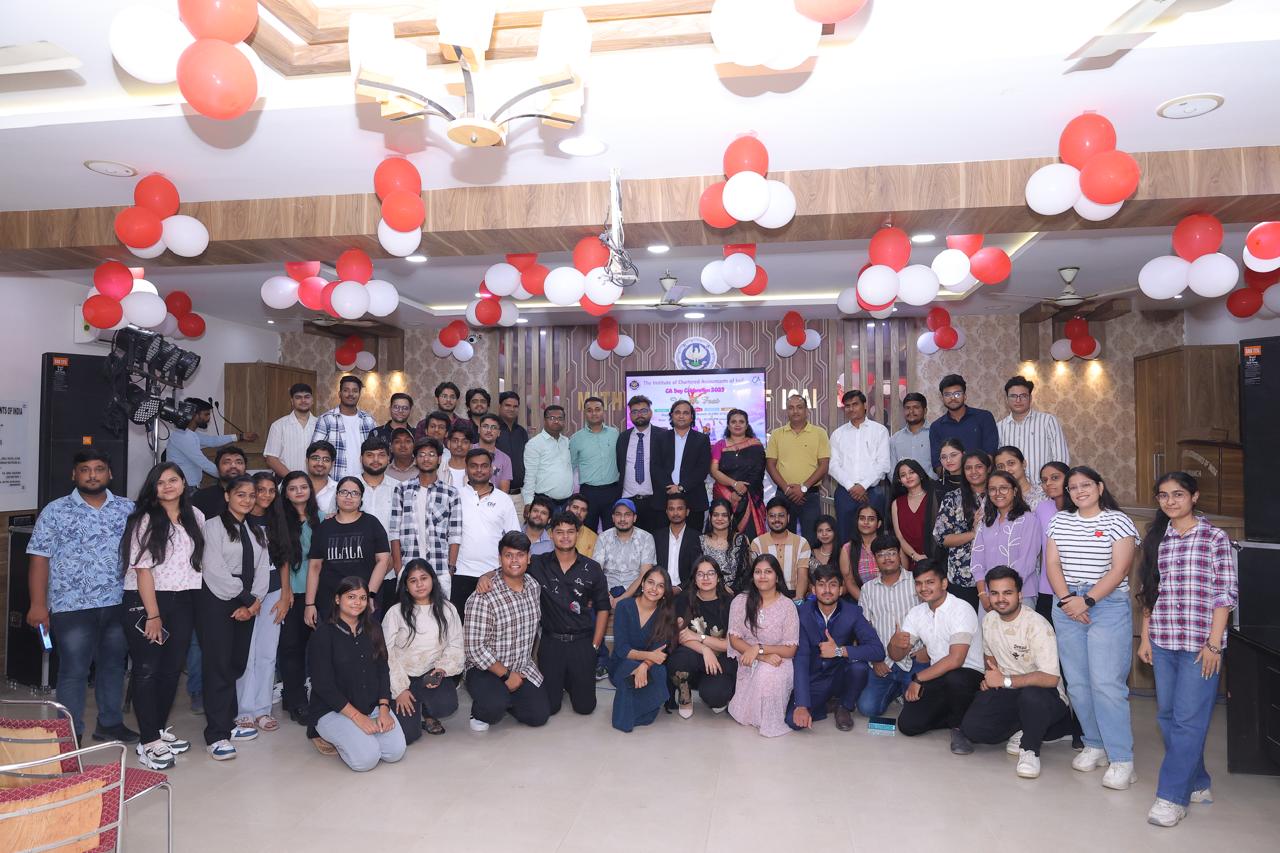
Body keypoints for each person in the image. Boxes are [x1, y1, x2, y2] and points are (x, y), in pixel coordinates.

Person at [1136, 472, 1238, 827]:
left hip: (1200, 646)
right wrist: (1145, 637)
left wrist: (1214, 643)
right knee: (1167, 717)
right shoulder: (1157, 539)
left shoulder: (1214, 538)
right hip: (1163, 639)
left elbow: (1225, 595)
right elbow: (1150, 592)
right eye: (1163, 495)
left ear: (1194, 496)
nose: (1170, 501)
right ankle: (1197, 781)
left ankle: (1171, 797)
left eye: (1178, 494)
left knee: (1188, 721)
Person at [26, 449, 137, 745]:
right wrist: (38, 605)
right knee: (73, 671)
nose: (92, 475)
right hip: (71, 606)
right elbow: (39, 558)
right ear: (74, 474)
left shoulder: (128, 509)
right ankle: (69, 734)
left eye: (99, 469)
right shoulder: (55, 510)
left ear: (109, 473)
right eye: (85, 469)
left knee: (113, 667)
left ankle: (110, 724)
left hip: (117, 603)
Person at [1045, 466, 1139, 790]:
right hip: (1067, 603)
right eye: (1073, 487)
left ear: (1100, 487)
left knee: (1106, 684)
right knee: (1078, 684)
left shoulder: (1118, 520)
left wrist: (1088, 600)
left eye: (1086, 485)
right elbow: (1052, 564)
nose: (1079, 491)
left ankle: (1122, 759)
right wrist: (1068, 600)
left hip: (1107, 604)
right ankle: (1095, 744)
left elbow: (1121, 568)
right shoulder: (1059, 521)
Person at [483, 512, 611, 716]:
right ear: (551, 535)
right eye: (559, 532)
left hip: (582, 642)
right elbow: (511, 567)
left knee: (585, 708)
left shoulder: (593, 568)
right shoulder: (537, 564)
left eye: (570, 532)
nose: (565, 536)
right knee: (551, 707)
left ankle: (572, 681)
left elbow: (603, 607)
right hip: (552, 643)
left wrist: (595, 646)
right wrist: (486, 576)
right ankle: (562, 681)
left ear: (577, 534)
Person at [119, 462, 201, 769]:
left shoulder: (195, 517)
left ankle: (156, 732)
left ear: (183, 483)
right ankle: (149, 742)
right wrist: (153, 615)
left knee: (170, 670)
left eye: (173, 480)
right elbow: (143, 570)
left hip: (184, 599)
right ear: (153, 488)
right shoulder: (145, 519)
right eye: (160, 482)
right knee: (147, 670)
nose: (167, 486)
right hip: (147, 601)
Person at [960, 566, 1072, 779]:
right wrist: (990, 677)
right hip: (1009, 689)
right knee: (973, 729)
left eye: (1008, 593)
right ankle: (1025, 726)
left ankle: (1030, 749)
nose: (1001, 599)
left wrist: (1005, 680)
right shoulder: (989, 620)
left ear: (1020, 595)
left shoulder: (1037, 625)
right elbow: (990, 657)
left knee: (1031, 696)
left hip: (1044, 693)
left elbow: (1050, 678)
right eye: (994, 593)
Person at [197, 475, 270, 760]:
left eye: (252, 495)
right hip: (218, 600)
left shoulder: (256, 530)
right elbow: (213, 568)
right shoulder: (212, 527)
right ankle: (216, 734)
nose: (247, 500)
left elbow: (263, 568)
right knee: (218, 665)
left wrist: (254, 602)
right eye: (241, 494)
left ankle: (228, 723)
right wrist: (246, 599)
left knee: (235, 664)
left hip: (248, 600)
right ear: (227, 496)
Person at [308, 576, 406, 770]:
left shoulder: (374, 628)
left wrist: (384, 709)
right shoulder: (323, 634)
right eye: (351, 597)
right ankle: (325, 735)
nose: (357, 603)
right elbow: (323, 685)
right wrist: (357, 718)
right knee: (366, 760)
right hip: (333, 710)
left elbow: (383, 671)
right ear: (338, 599)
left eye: (362, 598)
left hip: (371, 706)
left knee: (395, 752)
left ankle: (360, 737)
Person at [888, 559, 985, 754]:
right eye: (918, 583)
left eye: (930, 582)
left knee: (955, 678)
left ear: (944, 583)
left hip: (969, 675)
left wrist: (918, 679)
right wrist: (895, 643)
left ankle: (960, 729)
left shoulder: (961, 609)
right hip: (939, 675)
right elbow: (897, 656)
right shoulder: (916, 613)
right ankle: (958, 716)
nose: (923, 588)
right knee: (908, 725)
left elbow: (956, 660)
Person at [463, 532, 549, 730]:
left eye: (520, 555)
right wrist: (506, 675)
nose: (514, 561)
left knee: (539, 716)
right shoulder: (482, 597)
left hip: (521, 666)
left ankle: (505, 698)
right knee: (494, 706)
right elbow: (475, 649)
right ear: (500, 558)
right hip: (485, 669)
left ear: (529, 558)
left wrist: (515, 675)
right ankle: (481, 709)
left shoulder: (533, 586)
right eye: (508, 555)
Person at [787, 564, 885, 732]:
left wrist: (839, 651)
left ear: (841, 590)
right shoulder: (802, 613)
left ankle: (844, 706)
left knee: (859, 668)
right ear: (813, 589)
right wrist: (802, 705)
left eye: (832, 585)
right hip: (814, 677)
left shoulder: (852, 612)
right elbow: (801, 659)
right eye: (821, 585)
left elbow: (877, 650)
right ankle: (827, 705)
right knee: (793, 721)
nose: (827, 590)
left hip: (840, 675)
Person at [383, 560, 464, 742]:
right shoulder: (395, 613)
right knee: (408, 736)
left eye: (424, 578)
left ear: (433, 580)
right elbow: (385, 653)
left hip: (431, 675)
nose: (419, 584)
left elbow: (456, 645)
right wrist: (400, 689)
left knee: (446, 705)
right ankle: (401, 706)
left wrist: (441, 669)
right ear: (405, 586)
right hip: (402, 676)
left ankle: (428, 713)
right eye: (413, 581)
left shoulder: (448, 609)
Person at [235, 472, 289, 734]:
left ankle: (262, 710)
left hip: (274, 593)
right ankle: (244, 711)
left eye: (271, 490)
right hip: (247, 595)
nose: (266, 495)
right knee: (246, 653)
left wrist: (286, 594)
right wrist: (245, 598)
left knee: (267, 653)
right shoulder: (239, 520)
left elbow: (284, 560)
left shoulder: (277, 520)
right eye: (260, 490)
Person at [727, 554, 800, 737]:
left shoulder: (787, 606)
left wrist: (760, 648)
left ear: (777, 577)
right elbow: (734, 639)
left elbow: (791, 649)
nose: (762, 576)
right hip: (748, 658)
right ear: (752, 576)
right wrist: (761, 656)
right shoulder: (740, 602)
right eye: (758, 572)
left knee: (766, 675)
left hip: (780, 659)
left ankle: (771, 718)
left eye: (768, 572)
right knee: (759, 673)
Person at [855, 535, 927, 717]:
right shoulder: (867, 589)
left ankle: (902, 688)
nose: (887, 558)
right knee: (867, 708)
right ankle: (896, 689)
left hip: (914, 657)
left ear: (899, 554)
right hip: (883, 661)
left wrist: (927, 650)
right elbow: (864, 629)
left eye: (891, 553)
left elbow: (932, 617)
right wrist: (875, 660)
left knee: (917, 710)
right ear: (875, 559)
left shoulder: (916, 582)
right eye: (881, 554)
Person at [306, 477, 391, 627]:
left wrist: (369, 595)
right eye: (343, 492)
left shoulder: (372, 523)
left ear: (361, 498)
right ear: (337, 495)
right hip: (330, 603)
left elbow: (383, 561)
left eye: (354, 493)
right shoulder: (324, 527)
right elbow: (314, 567)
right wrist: (309, 604)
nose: (348, 496)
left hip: (364, 603)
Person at [272, 471, 319, 725]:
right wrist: (285, 591)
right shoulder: (280, 520)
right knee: (291, 648)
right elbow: (282, 559)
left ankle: (307, 697)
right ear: (286, 493)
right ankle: (295, 700)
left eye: (303, 487)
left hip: (317, 595)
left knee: (316, 650)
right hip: (291, 594)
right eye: (292, 488)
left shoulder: (322, 518)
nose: (299, 492)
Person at [388, 437, 461, 600]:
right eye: (421, 454)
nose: (426, 459)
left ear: (439, 459)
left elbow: (455, 534)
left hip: (440, 570)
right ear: (415, 459)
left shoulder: (450, 493)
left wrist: (450, 569)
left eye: (431, 454)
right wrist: (399, 569)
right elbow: (394, 532)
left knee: (440, 615)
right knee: (408, 614)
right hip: (408, 569)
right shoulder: (402, 489)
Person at [452, 448, 521, 612]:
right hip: (460, 573)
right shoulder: (455, 496)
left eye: (484, 466)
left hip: (493, 574)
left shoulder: (504, 500)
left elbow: (514, 539)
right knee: (460, 623)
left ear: (491, 469)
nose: (479, 470)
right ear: (466, 469)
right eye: (474, 466)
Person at [609, 567, 677, 732]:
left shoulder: (665, 613)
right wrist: (648, 657)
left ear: (665, 591)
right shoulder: (624, 606)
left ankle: (632, 706)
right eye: (650, 583)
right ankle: (628, 712)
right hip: (622, 663)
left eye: (660, 586)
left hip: (649, 665)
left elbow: (659, 652)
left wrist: (645, 665)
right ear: (642, 584)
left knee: (659, 671)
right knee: (630, 668)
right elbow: (622, 649)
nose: (654, 589)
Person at [670, 557, 738, 717]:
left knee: (715, 697)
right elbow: (682, 637)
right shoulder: (684, 600)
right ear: (694, 578)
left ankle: (710, 688)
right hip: (693, 657)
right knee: (678, 659)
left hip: (720, 661)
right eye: (700, 574)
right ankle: (684, 692)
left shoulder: (731, 603)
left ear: (718, 577)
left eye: (710, 573)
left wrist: (699, 637)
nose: (705, 578)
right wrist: (705, 650)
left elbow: (730, 644)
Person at [971, 470, 1043, 612]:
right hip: (988, 595)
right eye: (992, 489)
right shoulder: (986, 522)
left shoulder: (1028, 520)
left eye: (1004, 488)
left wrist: (1002, 594)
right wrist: (983, 594)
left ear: (1015, 491)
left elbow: (1027, 562)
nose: (998, 493)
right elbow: (977, 561)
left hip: (1020, 594)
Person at [765, 394, 830, 545]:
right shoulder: (777, 434)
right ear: (786, 411)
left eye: (799, 407)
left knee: (812, 540)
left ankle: (810, 562)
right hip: (784, 494)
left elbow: (824, 465)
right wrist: (787, 489)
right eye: (791, 408)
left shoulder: (819, 433)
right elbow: (770, 465)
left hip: (810, 495)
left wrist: (803, 488)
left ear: (807, 410)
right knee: (783, 540)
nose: (795, 411)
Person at [829, 389, 891, 545]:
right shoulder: (838, 434)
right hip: (845, 492)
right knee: (845, 537)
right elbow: (833, 466)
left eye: (855, 404)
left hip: (872, 492)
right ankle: (847, 562)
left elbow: (883, 464)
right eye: (847, 406)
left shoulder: (880, 431)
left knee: (875, 539)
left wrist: (863, 486)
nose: (851, 408)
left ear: (865, 405)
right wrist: (852, 487)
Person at [932, 450, 991, 612]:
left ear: (988, 469)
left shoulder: (997, 495)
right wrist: (973, 534)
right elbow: (941, 538)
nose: (973, 472)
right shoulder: (952, 498)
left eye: (979, 467)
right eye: (968, 468)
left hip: (994, 575)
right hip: (962, 575)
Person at [165, 399, 255, 489]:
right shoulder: (183, 436)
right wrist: (230, 476)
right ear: (195, 415)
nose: (208, 418)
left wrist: (239, 437)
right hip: (184, 487)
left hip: (188, 485)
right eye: (206, 414)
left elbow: (212, 441)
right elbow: (204, 463)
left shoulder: (189, 434)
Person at [996, 376, 1070, 485]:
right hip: (1013, 490)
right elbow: (1000, 464)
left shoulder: (1047, 421)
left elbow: (1061, 459)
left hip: (1045, 489)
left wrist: (1054, 485)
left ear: (1030, 398)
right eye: (1013, 396)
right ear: (1006, 399)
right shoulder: (1000, 427)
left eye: (1023, 396)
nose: (1018, 400)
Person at [654, 399, 712, 533]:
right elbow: (655, 466)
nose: (681, 416)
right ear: (671, 416)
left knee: (693, 539)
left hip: (693, 497)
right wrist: (669, 487)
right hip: (664, 497)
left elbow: (702, 468)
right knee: (663, 539)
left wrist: (681, 487)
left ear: (692, 417)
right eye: (677, 412)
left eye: (685, 413)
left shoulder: (702, 439)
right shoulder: (660, 438)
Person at [616, 395, 671, 534]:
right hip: (628, 502)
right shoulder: (623, 437)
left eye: (643, 411)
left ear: (650, 413)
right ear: (630, 415)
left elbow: (668, 466)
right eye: (635, 411)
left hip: (656, 502)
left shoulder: (664, 436)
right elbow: (620, 466)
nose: (639, 415)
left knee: (657, 542)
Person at [709, 408, 767, 539]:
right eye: (733, 421)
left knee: (750, 536)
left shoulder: (756, 445)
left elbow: (758, 471)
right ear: (728, 425)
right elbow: (714, 470)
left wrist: (741, 492)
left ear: (746, 425)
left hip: (749, 497)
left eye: (741, 421)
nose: (737, 424)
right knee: (724, 537)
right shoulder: (720, 445)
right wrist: (734, 484)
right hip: (724, 496)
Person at [357, 436, 398, 606]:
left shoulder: (399, 489)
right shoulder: (348, 486)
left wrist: (391, 562)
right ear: (361, 458)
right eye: (370, 455)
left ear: (389, 458)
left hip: (391, 572)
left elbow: (405, 532)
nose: (375, 460)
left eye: (381, 455)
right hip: (354, 572)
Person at [312, 375, 379, 480]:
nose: (350, 394)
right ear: (339, 394)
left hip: (364, 481)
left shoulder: (369, 421)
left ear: (359, 394)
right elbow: (314, 452)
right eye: (346, 390)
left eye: (355, 391)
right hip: (335, 481)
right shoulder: (326, 419)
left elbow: (376, 451)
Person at [570, 396, 622, 531]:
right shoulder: (576, 438)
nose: (594, 413)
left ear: (603, 411)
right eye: (589, 410)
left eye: (597, 409)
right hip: (588, 493)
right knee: (587, 531)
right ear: (585, 413)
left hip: (612, 491)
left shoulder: (615, 434)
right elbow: (571, 466)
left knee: (612, 531)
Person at [929, 374, 997, 474]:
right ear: (942, 398)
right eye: (947, 395)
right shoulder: (936, 427)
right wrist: (952, 478)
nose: (952, 398)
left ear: (965, 396)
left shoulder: (984, 417)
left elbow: (990, 452)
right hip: (952, 480)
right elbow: (937, 463)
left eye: (957, 394)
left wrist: (977, 476)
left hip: (981, 478)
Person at [593, 498, 657, 602]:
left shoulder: (646, 538)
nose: (622, 519)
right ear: (613, 518)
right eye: (618, 514)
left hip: (635, 594)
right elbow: (597, 571)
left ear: (634, 518)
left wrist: (622, 599)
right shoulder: (603, 537)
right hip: (606, 592)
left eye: (627, 515)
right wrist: (608, 597)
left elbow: (645, 574)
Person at [750, 498, 812, 598]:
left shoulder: (801, 543)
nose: (776, 520)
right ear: (766, 518)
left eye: (781, 516)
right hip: (765, 595)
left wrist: (798, 599)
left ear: (788, 517)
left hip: (793, 595)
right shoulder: (757, 543)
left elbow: (803, 576)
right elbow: (756, 576)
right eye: (772, 516)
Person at [1034, 461, 1069, 619]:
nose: (1048, 483)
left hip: (1077, 587)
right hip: (1047, 586)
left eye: (1055, 478)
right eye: (1044, 480)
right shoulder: (1042, 508)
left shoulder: (1081, 508)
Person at [522, 405, 573, 510]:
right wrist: (528, 502)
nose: (556, 421)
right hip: (544, 503)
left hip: (567, 503)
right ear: (545, 420)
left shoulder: (567, 442)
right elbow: (530, 476)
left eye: (560, 418)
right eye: (552, 418)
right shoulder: (534, 444)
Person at [889, 459, 937, 570]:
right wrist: (916, 557)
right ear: (900, 481)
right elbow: (899, 537)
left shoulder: (933, 497)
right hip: (909, 560)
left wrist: (928, 557)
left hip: (935, 558)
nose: (908, 477)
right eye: (903, 475)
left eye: (912, 472)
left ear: (920, 474)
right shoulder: (896, 503)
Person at [263, 383, 317, 477]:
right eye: (298, 397)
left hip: (315, 482)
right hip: (285, 481)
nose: (303, 400)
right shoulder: (278, 425)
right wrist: (292, 479)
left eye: (307, 397)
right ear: (292, 401)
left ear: (312, 400)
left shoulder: (321, 424)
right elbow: (271, 459)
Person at [698, 498, 751, 593]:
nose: (719, 519)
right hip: (708, 593)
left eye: (724, 515)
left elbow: (746, 573)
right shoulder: (701, 541)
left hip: (736, 594)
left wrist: (732, 592)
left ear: (731, 517)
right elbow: (697, 572)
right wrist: (719, 588)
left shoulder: (740, 539)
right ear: (710, 517)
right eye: (715, 515)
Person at [654, 493, 700, 593]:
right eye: (671, 509)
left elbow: (697, 570)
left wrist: (680, 588)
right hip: (658, 590)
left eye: (680, 509)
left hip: (686, 592)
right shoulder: (656, 537)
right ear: (666, 512)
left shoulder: (697, 538)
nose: (675, 513)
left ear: (687, 511)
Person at [190, 445, 247, 519]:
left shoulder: (256, 495)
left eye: (239, 462)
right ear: (217, 468)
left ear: (245, 468)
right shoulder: (200, 497)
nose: (233, 466)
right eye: (227, 462)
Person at [839, 505, 883, 599]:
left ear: (878, 524)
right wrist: (866, 602)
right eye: (862, 518)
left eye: (871, 519)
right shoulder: (847, 549)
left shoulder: (888, 545)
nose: (866, 522)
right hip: (863, 600)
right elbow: (850, 582)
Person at [494, 391, 529, 510]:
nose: (511, 409)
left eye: (515, 406)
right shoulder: (493, 430)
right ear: (500, 406)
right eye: (507, 405)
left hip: (519, 495)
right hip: (497, 493)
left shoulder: (522, 432)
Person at [890, 392, 934, 479]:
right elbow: (892, 471)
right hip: (904, 487)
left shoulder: (934, 433)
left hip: (932, 485)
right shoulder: (895, 439)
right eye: (907, 408)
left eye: (916, 407)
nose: (911, 411)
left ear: (925, 410)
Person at [475, 414, 513, 493]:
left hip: (494, 500)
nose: (489, 430)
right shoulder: (468, 451)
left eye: (494, 427)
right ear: (478, 429)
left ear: (499, 433)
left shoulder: (505, 459)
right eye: (485, 426)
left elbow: (504, 492)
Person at [305, 440, 337, 516]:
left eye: (326, 460)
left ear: (332, 464)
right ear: (307, 461)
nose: (320, 463)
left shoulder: (339, 489)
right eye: (315, 458)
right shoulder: (291, 484)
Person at [809, 515, 839, 580]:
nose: (824, 534)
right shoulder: (810, 554)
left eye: (828, 530)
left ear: (835, 532)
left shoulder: (842, 553)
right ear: (816, 534)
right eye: (820, 531)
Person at [443, 423, 472, 490]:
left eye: (464, 442)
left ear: (471, 446)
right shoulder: (438, 470)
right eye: (455, 441)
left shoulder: (477, 472)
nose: (459, 445)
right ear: (448, 444)